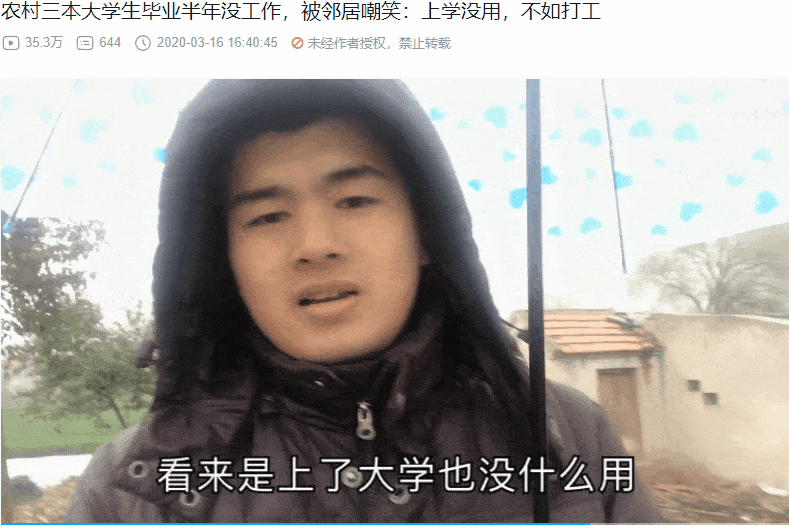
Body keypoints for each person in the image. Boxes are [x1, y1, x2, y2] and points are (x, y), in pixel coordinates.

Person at [64, 80, 663, 523]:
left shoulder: (563, 436)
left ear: (427, 234)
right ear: (223, 262)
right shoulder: (134, 491)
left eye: (355, 201)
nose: (315, 246)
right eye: (267, 216)